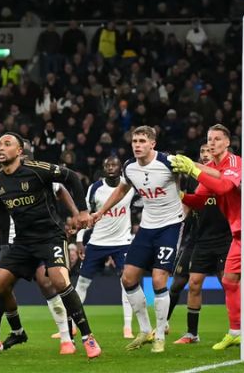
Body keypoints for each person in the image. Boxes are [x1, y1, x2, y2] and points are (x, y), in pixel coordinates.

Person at [0, 133, 100, 363]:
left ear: (20, 151)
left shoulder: (38, 169)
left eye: (7, 144)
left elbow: (71, 178)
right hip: (22, 243)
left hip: (50, 237)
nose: (1, 148)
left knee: (58, 281)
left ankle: (87, 337)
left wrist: (81, 211)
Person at [172, 124, 244, 351]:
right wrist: (178, 194)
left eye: (217, 139)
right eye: (209, 139)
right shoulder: (210, 168)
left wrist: (195, 170)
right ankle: (236, 332)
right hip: (238, 231)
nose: (212, 143)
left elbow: (225, 187)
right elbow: (199, 200)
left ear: (227, 142)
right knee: (229, 280)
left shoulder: (236, 162)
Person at [91, 126, 184, 353]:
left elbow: (192, 176)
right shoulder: (129, 167)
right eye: (134, 141)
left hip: (170, 226)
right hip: (147, 227)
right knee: (128, 278)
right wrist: (101, 211)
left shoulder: (168, 162)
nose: (137, 145)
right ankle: (144, 330)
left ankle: (160, 335)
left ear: (153, 143)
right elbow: (122, 190)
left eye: (142, 141)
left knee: (159, 280)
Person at [172, 144, 232, 344]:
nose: (206, 154)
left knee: (229, 285)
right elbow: (194, 203)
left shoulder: (226, 174)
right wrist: (181, 196)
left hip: (225, 239)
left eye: (209, 151)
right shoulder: (194, 179)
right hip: (201, 240)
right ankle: (192, 334)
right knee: (194, 283)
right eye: (203, 151)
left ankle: (238, 330)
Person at [75, 156, 135, 339]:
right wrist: (79, 240)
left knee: (127, 282)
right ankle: (72, 325)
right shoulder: (95, 188)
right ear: (103, 168)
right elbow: (84, 215)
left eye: (114, 165)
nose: (110, 167)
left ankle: (127, 327)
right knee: (82, 283)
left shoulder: (130, 186)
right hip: (97, 242)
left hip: (122, 242)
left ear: (120, 168)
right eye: (107, 165)